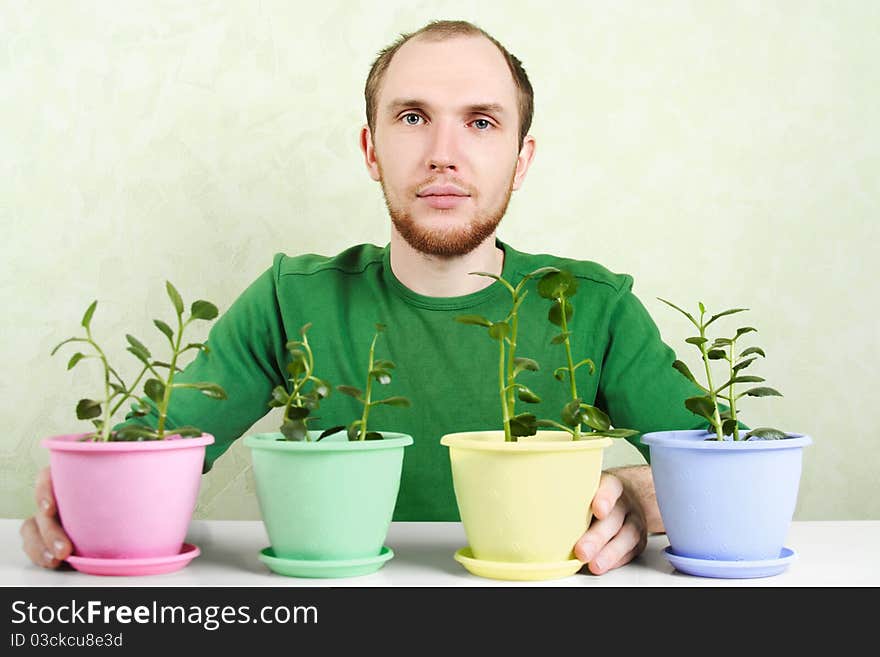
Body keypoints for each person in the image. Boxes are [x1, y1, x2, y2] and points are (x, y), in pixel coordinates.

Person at [21, 19, 707, 576]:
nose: (443, 152)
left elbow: (724, 466)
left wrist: (643, 496)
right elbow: (152, 445)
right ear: (371, 149)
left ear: (521, 159)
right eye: (412, 117)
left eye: (482, 123)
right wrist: (79, 497)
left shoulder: (594, 305)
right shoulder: (292, 299)